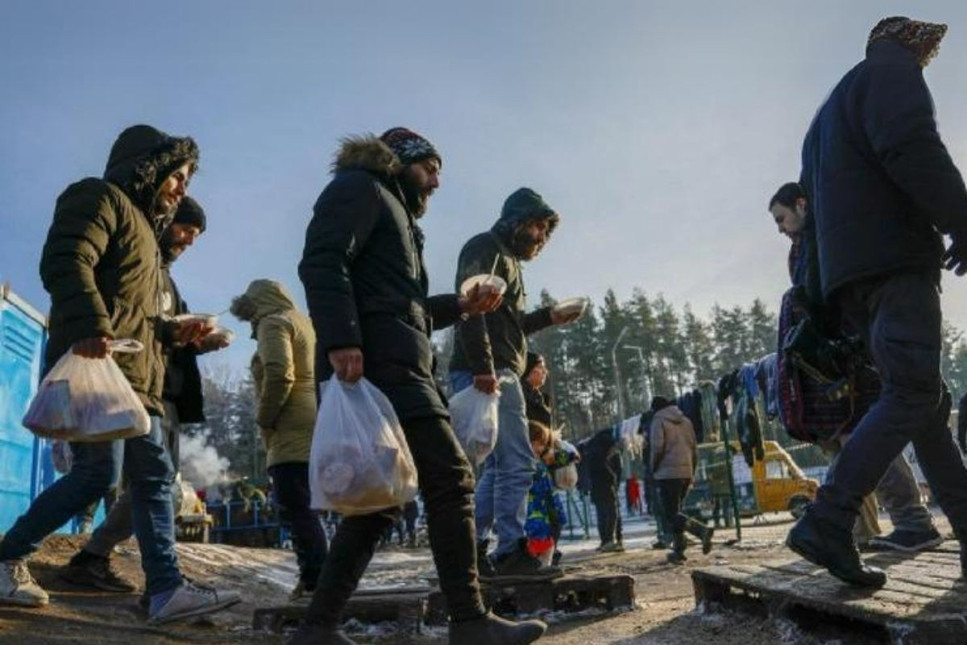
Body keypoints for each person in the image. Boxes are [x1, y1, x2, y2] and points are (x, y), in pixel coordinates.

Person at [294, 127, 546, 645]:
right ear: (400, 160)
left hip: (397, 361)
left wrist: (458, 306)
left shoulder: (396, 215)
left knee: (381, 504)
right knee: (451, 479)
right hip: (383, 369)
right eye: (430, 167)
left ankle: (316, 628)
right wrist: (342, 339)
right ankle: (470, 621)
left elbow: (401, 311)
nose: (436, 181)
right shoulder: (362, 189)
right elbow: (322, 260)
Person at [0, 125, 240, 622]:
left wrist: (176, 335)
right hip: (100, 367)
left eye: (188, 179)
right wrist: (89, 322)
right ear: (147, 165)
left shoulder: (150, 242)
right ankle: (8, 555)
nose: (182, 188)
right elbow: (66, 259)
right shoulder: (98, 197)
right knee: (100, 476)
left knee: (147, 475)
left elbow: (138, 316)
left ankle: (164, 591)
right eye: (177, 175)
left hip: (135, 375)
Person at [788, 17, 967, 587]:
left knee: (927, 407)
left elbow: (812, 225)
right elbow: (913, 146)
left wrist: (822, 302)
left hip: (853, 282)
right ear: (908, 45)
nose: (926, 61)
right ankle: (829, 517)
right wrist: (961, 220)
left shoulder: (823, 120)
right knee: (913, 391)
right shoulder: (890, 72)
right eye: (925, 51)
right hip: (894, 263)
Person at [58, 196, 231, 594]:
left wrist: (199, 340)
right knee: (134, 482)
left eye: (196, 235)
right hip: (131, 389)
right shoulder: (134, 267)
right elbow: (132, 328)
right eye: (186, 229)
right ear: (168, 221)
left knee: (153, 486)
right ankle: (154, 580)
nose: (188, 239)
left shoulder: (166, 282)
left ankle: (110, 564)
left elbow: (166, 337)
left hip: (162, 394)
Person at [770, 182, 943, 553]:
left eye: (781, 218)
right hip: (832, 363)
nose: (780, 228)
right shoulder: (804, 249)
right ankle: (859, 530)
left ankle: (912, 521)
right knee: (852, 442)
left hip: (853, 356)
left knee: (867, 438)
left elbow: (839, 297)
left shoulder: (828, 238)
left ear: (801, 205)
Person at [450, 188, 581, 581]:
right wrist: (485, 367)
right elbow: (471, 308)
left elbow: (510, 325)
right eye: (538, 226)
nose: (542, 236)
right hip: (490, 372)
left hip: (495, 368)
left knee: (497, 467)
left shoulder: (509, 261)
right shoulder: (486, 247)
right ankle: (510, 551)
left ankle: (473, 551)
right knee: (517, 461)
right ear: (518, 220)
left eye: (546, 229)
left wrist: (549, 317)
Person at [230, 278, 329, 601]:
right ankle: (318, 578)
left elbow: (280, 373)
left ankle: (316, 581)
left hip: (289, 424)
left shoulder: (273, 323)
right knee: (306, 506)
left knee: (295, 507)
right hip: (314, 417)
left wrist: (265, 416)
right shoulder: (304, 323)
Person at [649, 397, 713, 564]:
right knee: (677, 512)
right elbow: (694, 449)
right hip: (686, 471)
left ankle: (701, 531)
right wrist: (692, 471)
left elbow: (657, 447)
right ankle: (679, 552)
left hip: (667, 473)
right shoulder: (686, 421)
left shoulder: (658, 419)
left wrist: (653, 467)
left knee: (671, 513)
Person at [523, 421, 565, 566]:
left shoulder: (519, 465)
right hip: (540, 520)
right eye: (539, 443)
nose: (542, 448)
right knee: (547, 548)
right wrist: (559, 516)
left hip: (531, 521)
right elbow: (549, 494)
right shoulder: (538, 468)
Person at [584, 428, 623, 552]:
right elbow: (616, 470)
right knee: (612, 512)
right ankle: (611, 540)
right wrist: (614, 478)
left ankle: (605, 540)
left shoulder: (591, 449)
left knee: (601, 513)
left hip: (595, 487)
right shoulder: (606, 451)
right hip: (607, 485)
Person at [521, 352, 552, 428]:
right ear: (528, 369)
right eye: (540, 367)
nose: (545, 372)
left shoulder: (542, 398)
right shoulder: (519, 396)